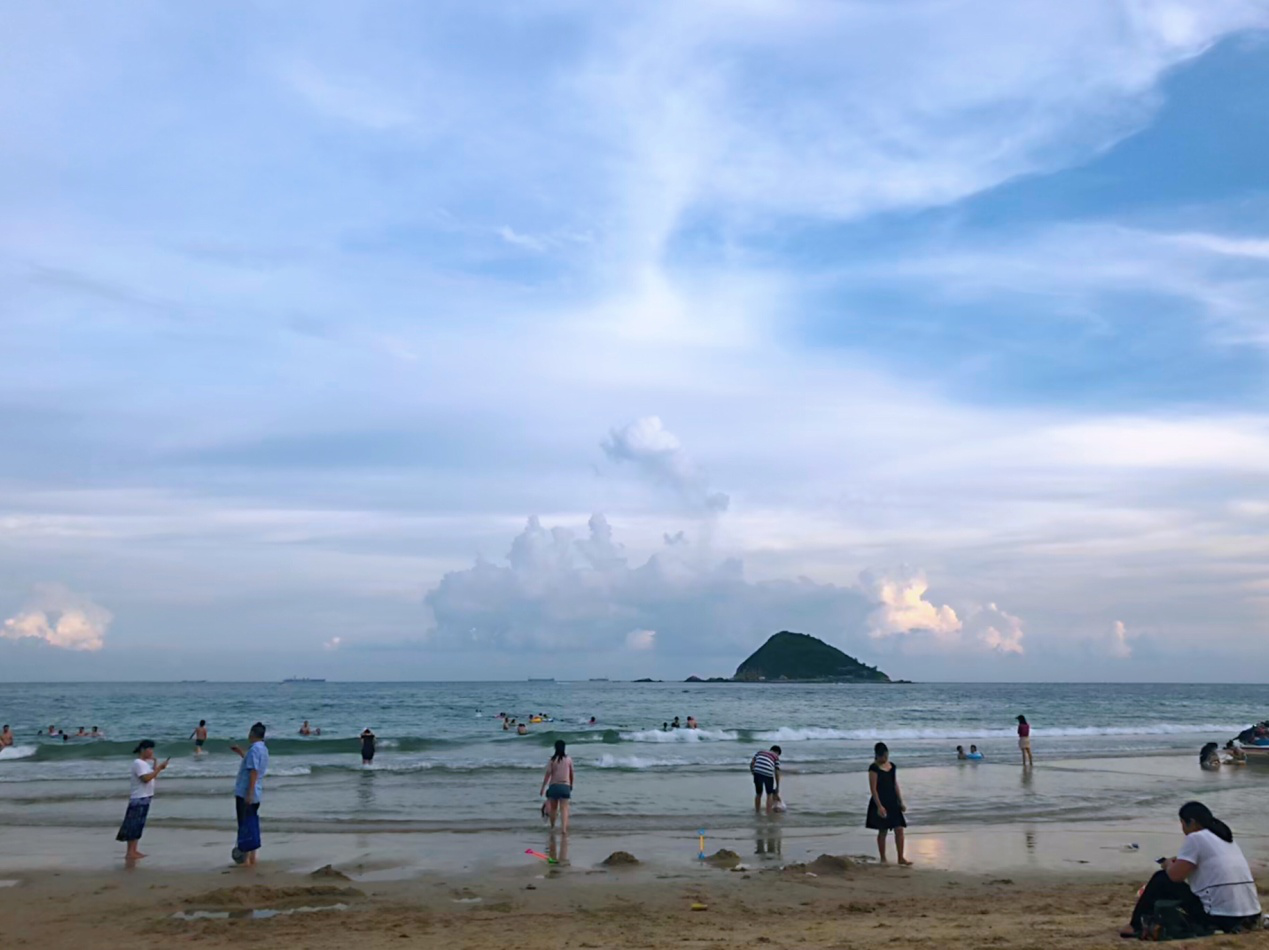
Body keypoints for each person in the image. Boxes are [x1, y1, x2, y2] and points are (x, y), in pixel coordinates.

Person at [1122, 801, 1261, 938]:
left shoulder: (1195, 838)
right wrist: (1179, 862)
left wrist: (1168, 864)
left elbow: (1175, 876)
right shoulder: (1225, 839)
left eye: (1182, 823)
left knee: (1161, 878)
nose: (1183, 829)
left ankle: (1134, 926)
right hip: (1251, 915)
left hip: (1221, 917)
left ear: (1192, 822)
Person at [116, 740, 169, 861]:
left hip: (145, 797)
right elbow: (145, 778)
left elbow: (152, 775)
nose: (151, 752)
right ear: (143, 750)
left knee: (138, 825)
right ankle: (130, 852)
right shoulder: (138, 763)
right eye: (149, 749)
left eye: (152, 749)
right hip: (139, 798)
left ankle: (134, 850)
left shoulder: (144, 764)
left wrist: (156, 765)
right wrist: (159, 768)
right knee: (133, 825)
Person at [230, 722, 269, 867]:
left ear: (252, 733)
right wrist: (240, 752)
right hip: (256, 792)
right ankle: (252, 857)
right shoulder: (263, 749)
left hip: (246, 792)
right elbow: (253, 765)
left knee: (244, 825)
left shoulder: (254, 750)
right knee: (251, 824)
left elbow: (253, 771)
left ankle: (246, 860)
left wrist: (249, 793)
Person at [866, 742, 911, 865]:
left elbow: (895, 784)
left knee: (899, 829)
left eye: (886, 756)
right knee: (883, 831)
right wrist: (879, 806)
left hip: (892, 801)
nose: (884, 758)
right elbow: (873, 789)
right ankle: (883, 858)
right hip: (880, 801)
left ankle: (901, 858)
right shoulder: (874, 768)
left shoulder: (892, 766)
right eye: (882, 756)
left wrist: (900, 801)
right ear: (877, 755)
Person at [540, 739, 574, 834]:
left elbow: (548, 775)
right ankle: (564, 830)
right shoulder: (568, 759)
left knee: (554, 809)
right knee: (564, 809)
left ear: (555, 748)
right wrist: (571, 785)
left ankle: (552, 827)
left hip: (554, 786)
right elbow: (571, 774)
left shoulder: (552, 760)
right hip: (565, 786)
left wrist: (543, 787)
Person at [750, 745, 782, 814]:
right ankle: (768, 812)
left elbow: (752, 763)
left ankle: (757, 812)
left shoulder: (760, 752)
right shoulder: (776, 757)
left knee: (758, 793)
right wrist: (777, 786)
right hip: (768, 773)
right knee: (769, 794)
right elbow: (777, 772)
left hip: (757, 772)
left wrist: (753, 772)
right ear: (777, 752)